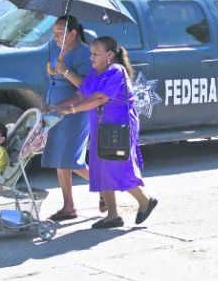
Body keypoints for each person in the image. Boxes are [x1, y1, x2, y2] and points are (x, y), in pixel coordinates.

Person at [51, 36, 158, 228]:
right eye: (91, 53)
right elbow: (80, 94)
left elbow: (100, 98)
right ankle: (113, 216)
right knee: (101, 168)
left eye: (95, 54)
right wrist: (54, 107)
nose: (91, 57)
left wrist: (72, 110)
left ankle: (145, 201)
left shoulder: (116, 71)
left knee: (117, 167)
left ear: (109, 55)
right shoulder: (95, 73)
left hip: (119, 126)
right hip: (102, 126)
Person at [42, 16, 105, 221]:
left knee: (72, 159)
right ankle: (68, 206)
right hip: (57, 112)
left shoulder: (85, 54)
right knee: (61, 160)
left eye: (60, 32)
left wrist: (66, 72)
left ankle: (104, 186)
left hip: (75, 113)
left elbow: (88, 89)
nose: (56, 36)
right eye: (54, 32)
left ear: (73, 33)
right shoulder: (60, 51)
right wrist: (47, 103)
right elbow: (54, 82)